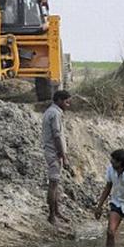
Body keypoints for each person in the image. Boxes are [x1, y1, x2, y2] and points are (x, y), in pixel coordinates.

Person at [41, 90, 71, 223]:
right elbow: (57, 136)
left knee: (56, 184)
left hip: (53, 151)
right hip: (54, 153)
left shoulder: (51, 112)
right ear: (59, 100)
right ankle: (52, 216)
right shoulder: (55, 114)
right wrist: (63, 156)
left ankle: (57, 212)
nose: (68, 105)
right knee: (53, 185)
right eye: (66, 101)